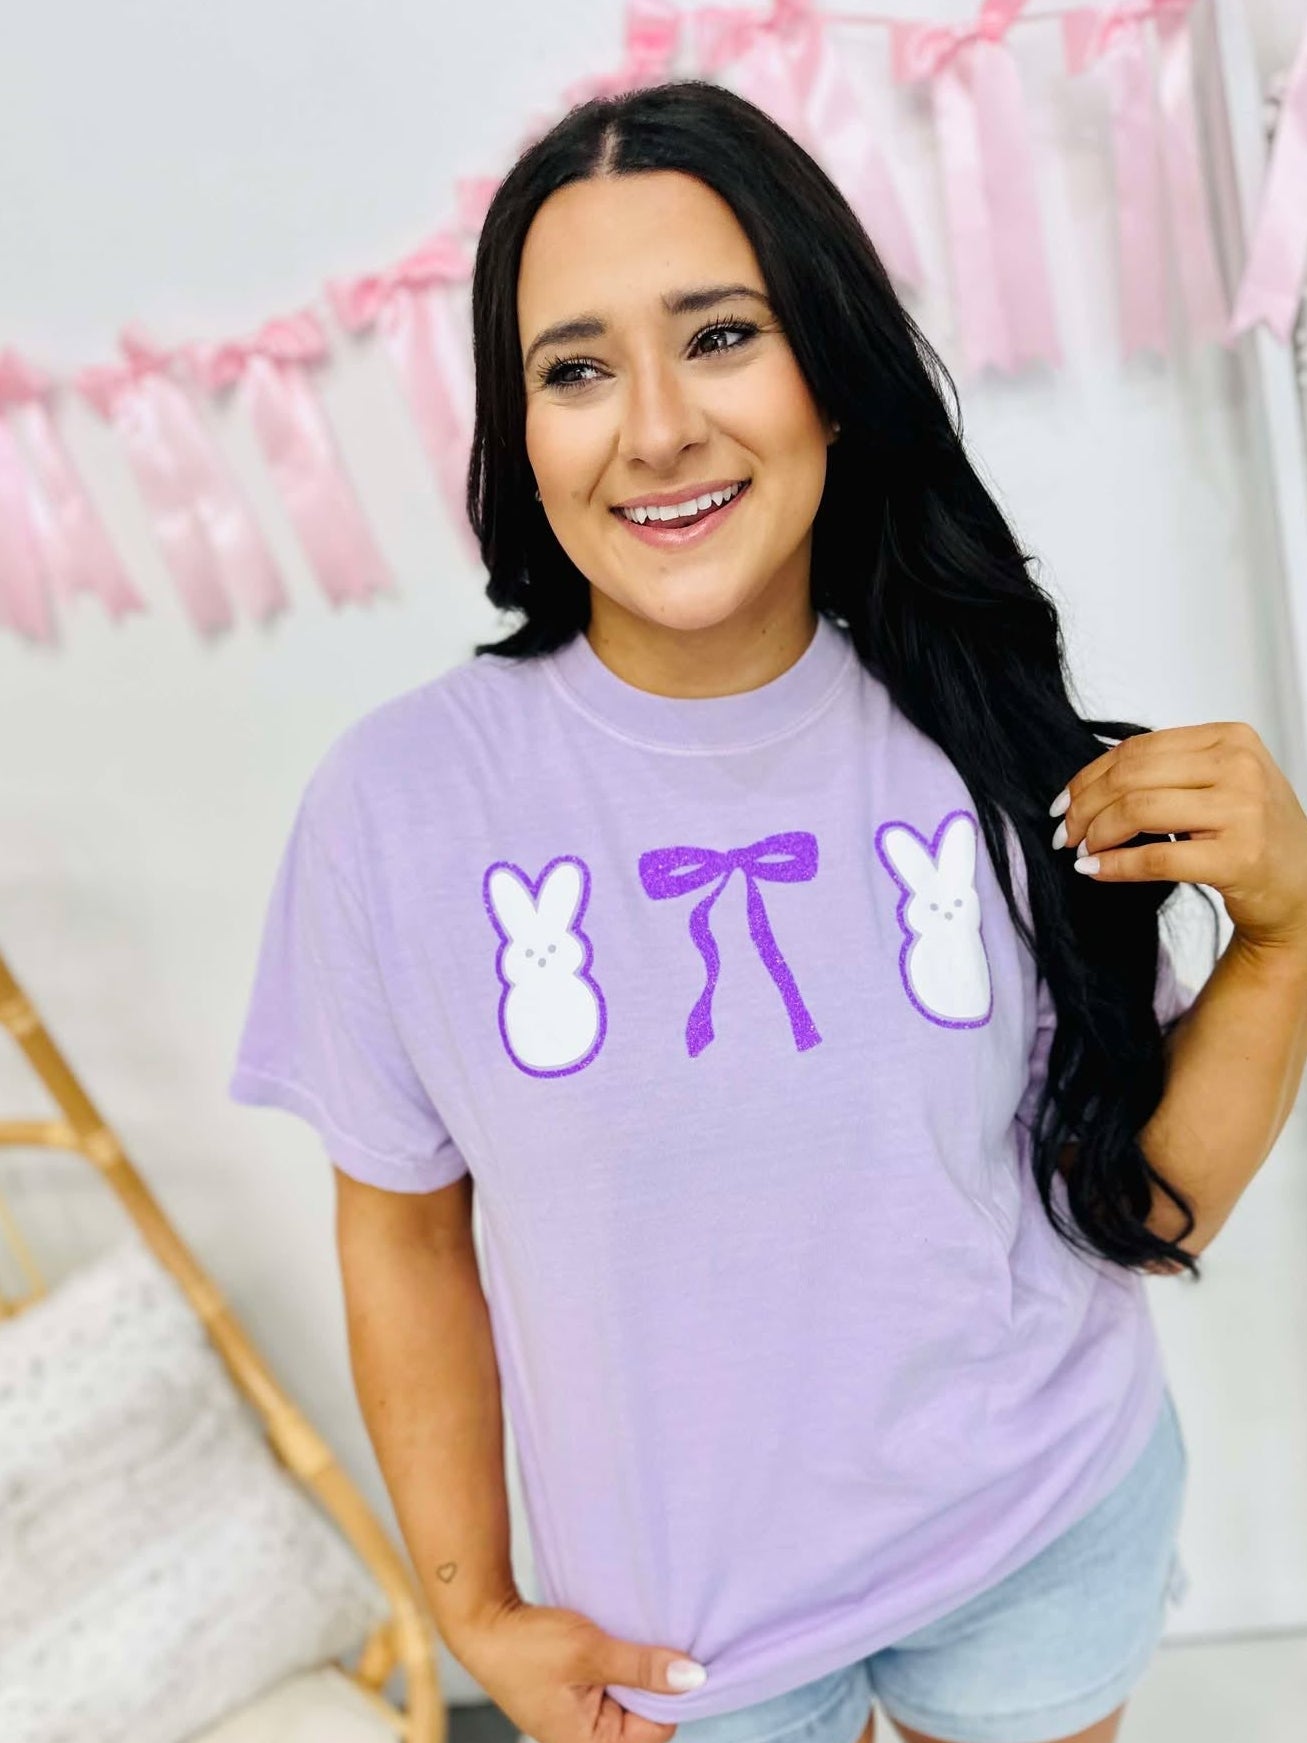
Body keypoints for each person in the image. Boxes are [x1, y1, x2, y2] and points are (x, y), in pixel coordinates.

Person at [229, 77, 1285, 1743]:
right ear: (521, 433)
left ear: (833, 380)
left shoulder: (986, 735)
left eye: (721, 336)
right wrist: (473, 1610)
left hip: (1036, 1534)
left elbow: (1134, 1206)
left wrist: (1286, 939)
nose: (654, 428)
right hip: (668, 1648)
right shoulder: (400, 806)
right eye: (577, 369)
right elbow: (406, 1235)